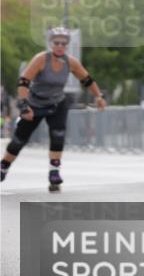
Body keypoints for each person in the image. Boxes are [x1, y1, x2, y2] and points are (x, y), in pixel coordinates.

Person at [1, 27, 106, 190]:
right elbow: (23, 81)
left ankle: (54, 172)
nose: (60, 46)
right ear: (51, 44)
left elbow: (87, 80)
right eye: (56, 43)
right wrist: (24, 105)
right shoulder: (41, 59)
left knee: (58, 137)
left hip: (57, 104)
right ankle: (3, 167)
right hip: (35, 104)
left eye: (64, 43)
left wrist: (98, 97)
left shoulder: (71, 62)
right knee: (18, 141)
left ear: (67, 45)